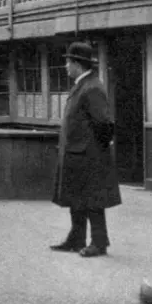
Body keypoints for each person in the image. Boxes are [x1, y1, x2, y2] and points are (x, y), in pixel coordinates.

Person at [51, 42, 121, 257]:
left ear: (77, 64)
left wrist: (95, 149)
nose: (65, 66)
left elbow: (104, 124)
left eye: (68, 62)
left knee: (92, 201)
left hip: (89, 156)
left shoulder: (92, 87)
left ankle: (99, 243)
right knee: (77, 199)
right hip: (77, 153)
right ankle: (76, 238)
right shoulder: (83, 84)